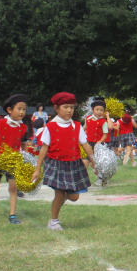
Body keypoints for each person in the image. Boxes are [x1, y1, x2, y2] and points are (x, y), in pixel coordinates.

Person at [32, 92, 95, 231]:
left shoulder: (77, 126)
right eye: (65, 107)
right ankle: (54, 221)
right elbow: (44, 149)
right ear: (56, 108)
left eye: (71, 107)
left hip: (73, 164)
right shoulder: (50, 127)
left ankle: (60, 202)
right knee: (59, 194)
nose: (69, 110)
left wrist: (94, 161)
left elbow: (85, 144)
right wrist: (37, 169)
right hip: (56, 164)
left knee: (74, 197)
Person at [0, 95, 30, 224]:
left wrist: (26, 159)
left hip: (13, 161)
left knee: (13, 188)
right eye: (19, 108)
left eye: (24, 109)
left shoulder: (23, 128)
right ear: (9, 110)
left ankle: (12, 215)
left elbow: (24, 145)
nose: (22, 112)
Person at [83, 100, 109, 185]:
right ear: (92, 109)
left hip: (98, 145)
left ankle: (101, 177)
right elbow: (84, 128)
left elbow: (105, 134)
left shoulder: (103, 122)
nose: (99, 112)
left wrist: (100, 141)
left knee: (97, 163)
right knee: (85, 161)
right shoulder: (88, 119)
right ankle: (83, 180)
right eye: (97, 109)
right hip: (87, 143)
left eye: (101, 110)